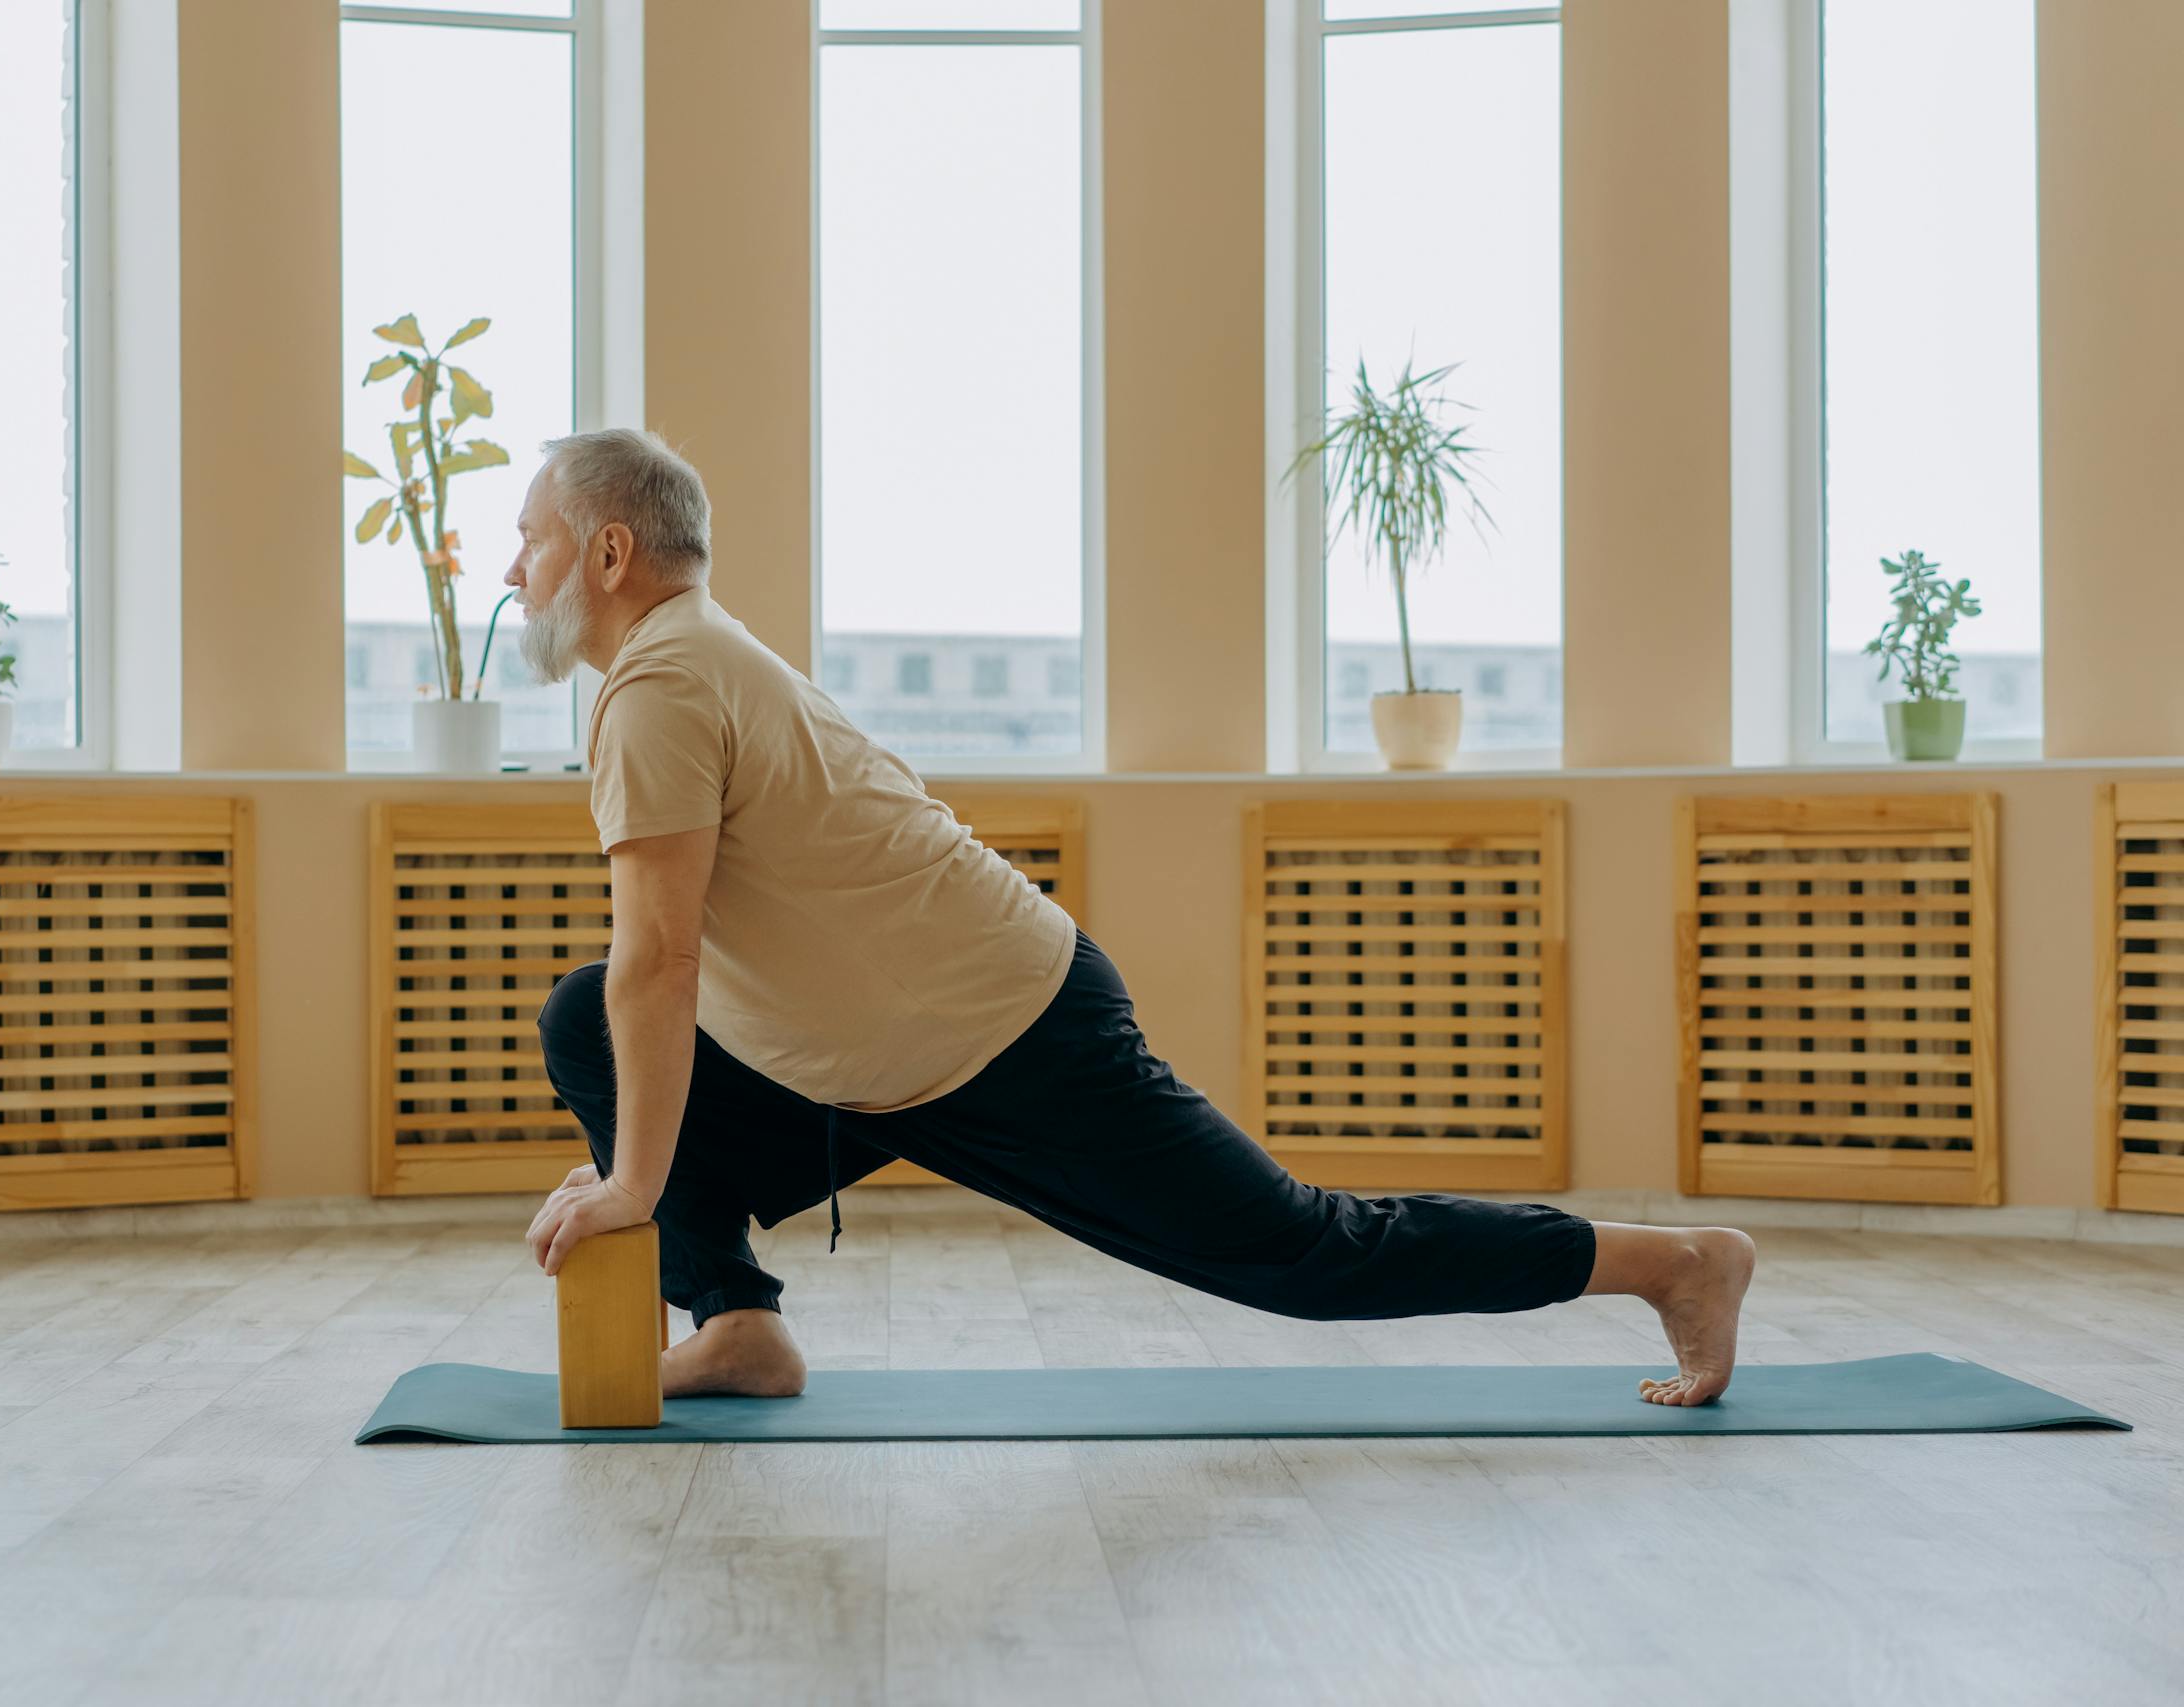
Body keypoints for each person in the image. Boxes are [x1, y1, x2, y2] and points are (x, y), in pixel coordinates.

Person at [515, 427, 1756, 1407]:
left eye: (534, 542)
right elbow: (649, 976)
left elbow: (662, 958)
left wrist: (634, 1184)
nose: (517, 572)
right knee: (584, 1019)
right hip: (859, 1058)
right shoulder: (688, 660)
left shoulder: (663, 687)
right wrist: (648, 1173)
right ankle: (735, 1325)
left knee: (1305, 1253)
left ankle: (1672, 1263)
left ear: (611, 552)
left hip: (1007, 1035)